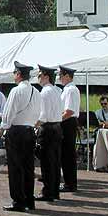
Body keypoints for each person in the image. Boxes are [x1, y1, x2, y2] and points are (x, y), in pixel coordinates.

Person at [0, 61, 41, 212]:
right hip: (29, 131)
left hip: (16, 132)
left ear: (19, 74)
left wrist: (2, 128)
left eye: (15, 73)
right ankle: (29, 199)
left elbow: (8, 113)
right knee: (28, 167)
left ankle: (18, 201)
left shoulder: (16, 91)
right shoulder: (36, 92)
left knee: (15, 168)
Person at [35, 65, 63, 202]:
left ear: (46, 76)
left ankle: (48, 192)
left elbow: (43, 116)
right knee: (55, 162)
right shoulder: (57, 91)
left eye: (39, 75)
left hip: (48, 129)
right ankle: (54, 191)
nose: (38, 78)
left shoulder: (45, 92)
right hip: (57, 127)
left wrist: (33, 125)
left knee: (47, 163)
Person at [59, 65, 80, 193]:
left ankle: (70, 184)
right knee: (66, 155)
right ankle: (68, 182)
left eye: (61, 76)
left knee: (68, 155)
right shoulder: (67, 89)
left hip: (68, 122)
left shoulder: (71, 90)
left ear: (67, 76)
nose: (59, 78)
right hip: (67, 122)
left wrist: (56, 120)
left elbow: (69, 111)